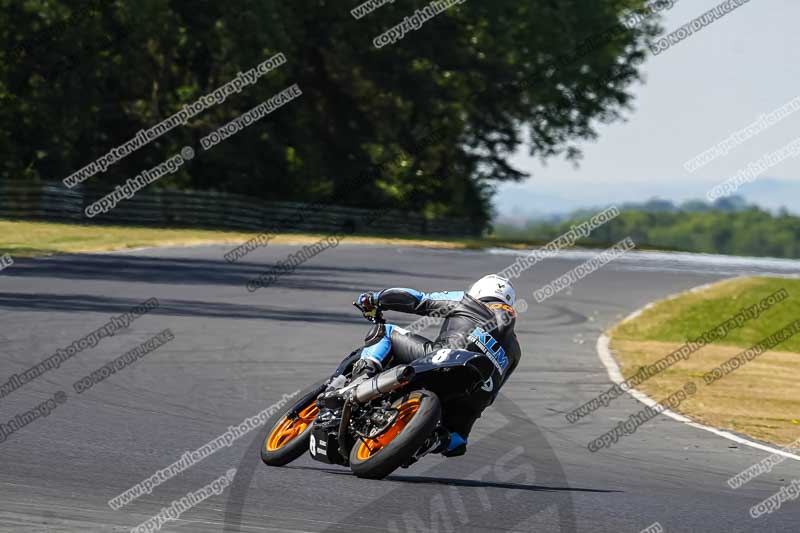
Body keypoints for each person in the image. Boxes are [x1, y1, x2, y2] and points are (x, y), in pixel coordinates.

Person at [351, 274, 522, 458]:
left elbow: (419, 300)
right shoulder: (515, 351)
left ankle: (362, 378)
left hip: (444, 361)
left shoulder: (468, 301)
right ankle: (435, 441)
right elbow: (495, 392)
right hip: (473, 396)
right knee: (458, 441)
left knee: (385, 331)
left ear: (478, 291)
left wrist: (375, 299)